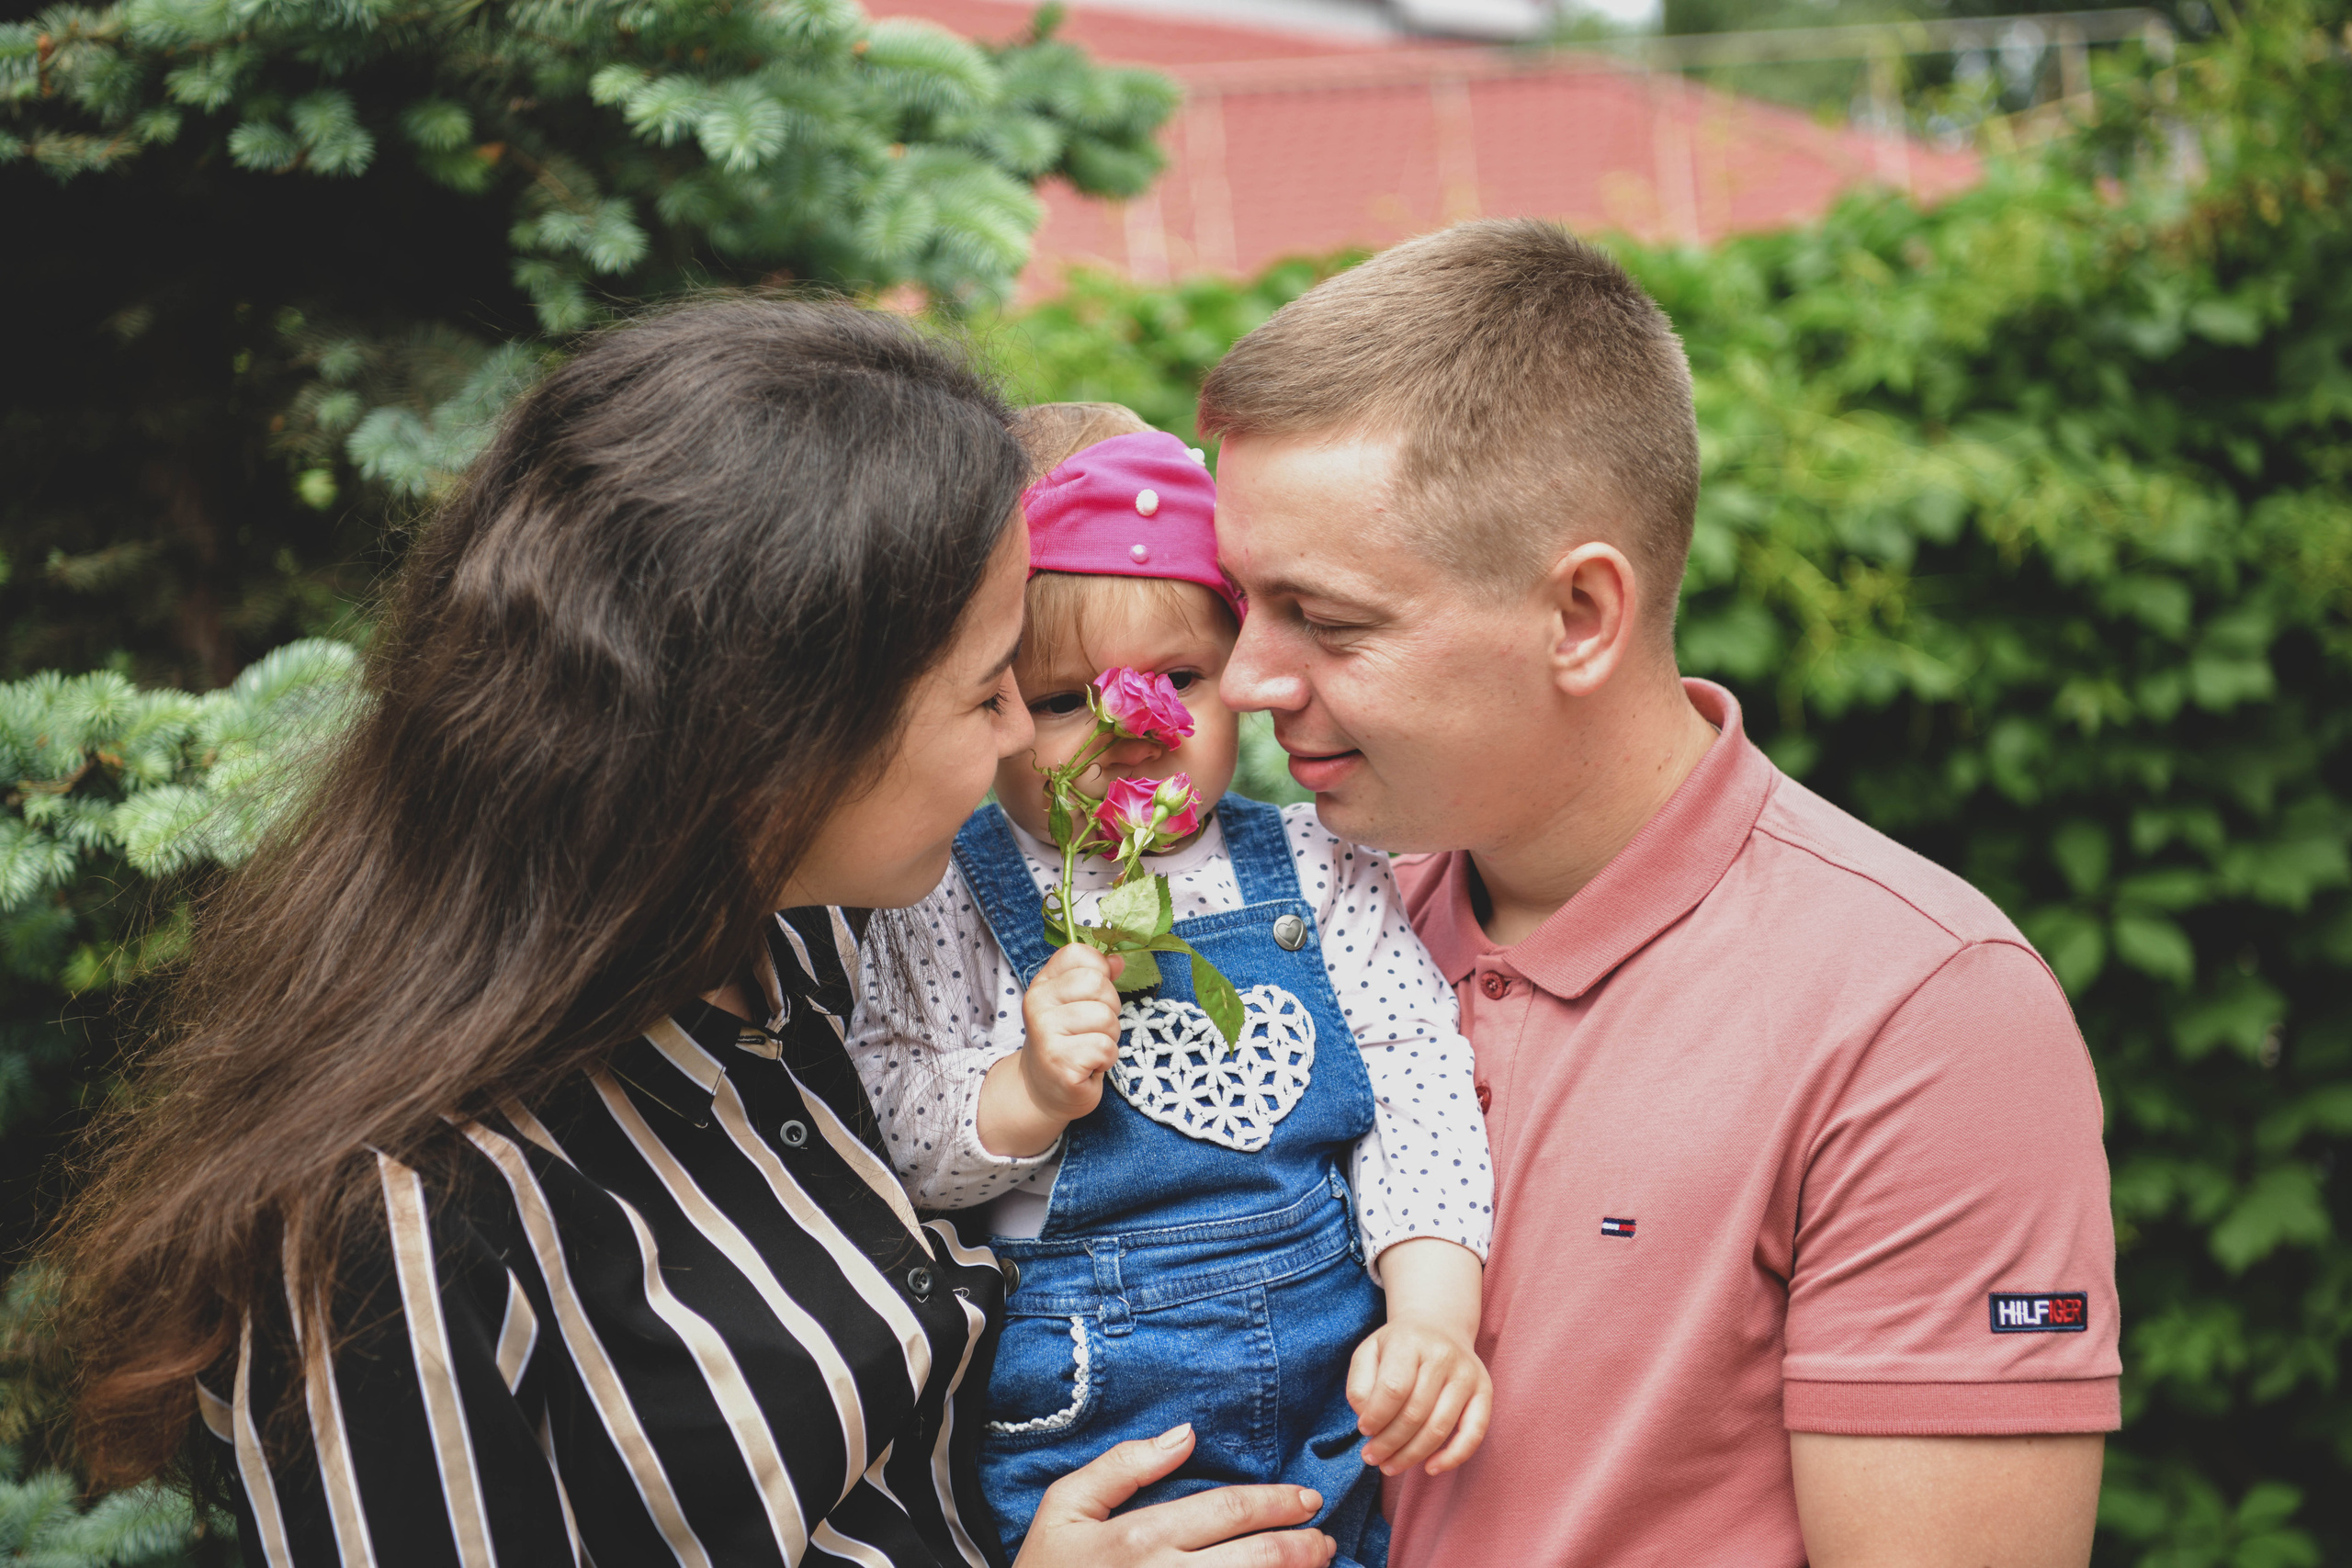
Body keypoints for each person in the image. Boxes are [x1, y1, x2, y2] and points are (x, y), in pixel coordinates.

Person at [46, 300, 1342, 1568]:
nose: (1024, 734)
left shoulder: (818, 948)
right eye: (987, 689)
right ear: (777, 743)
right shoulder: (397, 1231)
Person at [1197, 220, 2122, 1568]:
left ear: (1580, 614)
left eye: (1327, 620)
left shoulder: (1924, 1014)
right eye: (1237, 605)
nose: (1246, 681)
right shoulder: (1280, 927)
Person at [849, 403, 1494, 1568]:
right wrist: (1023, 1093)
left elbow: (1415, 1082)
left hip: (1327, 1365)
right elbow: (891, 1132)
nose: (1128, 732)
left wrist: (1433, 1315)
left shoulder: (1316, 866)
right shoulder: (945, 889)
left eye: (1179, 679)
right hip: (1092, 1405)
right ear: (992, 701)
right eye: (1064, 701)